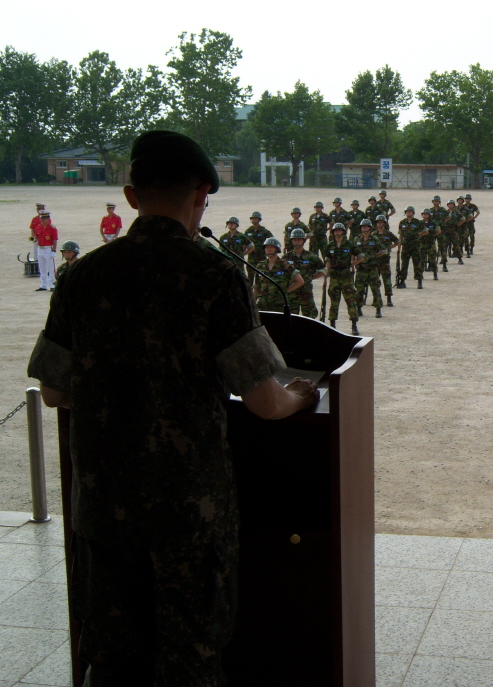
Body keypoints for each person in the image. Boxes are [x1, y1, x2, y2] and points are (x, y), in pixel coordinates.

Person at [27, 129, 317, 686]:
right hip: (189, 516)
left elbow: (56, 392)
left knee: (112, 659)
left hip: (104, 511)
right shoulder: (215, 276)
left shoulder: (82, 275)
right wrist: (299, 396)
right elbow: (262, 398)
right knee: (189, 659)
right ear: (201, 195)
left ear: (131, 196)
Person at [325, 223, 360, 333]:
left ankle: (354, 325)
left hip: (346, 277)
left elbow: (361, 256)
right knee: (334, 302)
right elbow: (328, 261)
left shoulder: (349, 244)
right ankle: (332, 324)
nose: (337, 233)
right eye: (336, 231)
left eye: (340, 231)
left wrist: (352, 264)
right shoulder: (330, 245)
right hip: (334, 277)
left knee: (350, 301)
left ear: (344, 232)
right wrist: (326, 277)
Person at [254, 237, 304, 312]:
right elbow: (257, 286)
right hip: (262, 305)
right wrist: (252, 302)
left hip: (279, 305)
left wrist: (285, 291)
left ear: (277, 249)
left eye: (271, 247)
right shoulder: (260, 266)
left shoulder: (285, 265)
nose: (269, 249)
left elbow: (300, 281)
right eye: (267, 247)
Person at [282, 228, 323, 318]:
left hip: (306, 292)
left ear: (303, 241)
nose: (297, 242)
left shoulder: (311, 256)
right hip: (292, 293)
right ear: (292, 241)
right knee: (291, 319)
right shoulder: (286, 257)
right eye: (294, 239)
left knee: (310, 318)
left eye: (299, 239)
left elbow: (323, 270)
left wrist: (311, 277)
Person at [353, 219, 385, 317]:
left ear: (370, 228)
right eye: (363, 227)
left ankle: (378, 309)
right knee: (359, 290)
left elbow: (383, 250)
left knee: (375, 289)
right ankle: (358, 308)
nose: (364, 228)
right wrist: (353, 264)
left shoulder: (375, 239)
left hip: (372, 269)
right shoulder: (356, 239)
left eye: (366, 227)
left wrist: (374, 257)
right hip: (361, 269)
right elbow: (352, 252)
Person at [397, 206, 426, 289]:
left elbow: (426, 231)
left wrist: (417, 235)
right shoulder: (402, 222)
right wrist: (399, 247)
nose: (409, 213)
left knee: (417, 264)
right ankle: (402, 281)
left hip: (415, 245)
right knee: (404, 264)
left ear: (413, 213)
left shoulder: (417, 222)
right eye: (407, 212)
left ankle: (419, 281)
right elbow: (401, 235)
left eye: (410, 212)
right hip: (405, 246)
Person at [374, 215, 399, 306]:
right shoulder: (373, 234)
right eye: (378, 222)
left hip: (385, 260)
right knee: (375, 281)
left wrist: (389, 248)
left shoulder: (388, 234)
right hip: (376, 260)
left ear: (384, 223)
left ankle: (389, 298)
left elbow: (397, 241)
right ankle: (376, 298)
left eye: (381, 222)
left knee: (387, 280)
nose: (380, 224)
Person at [34, 210, 59, 291]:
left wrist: (54, 250)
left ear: (48, 218)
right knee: (42, 268)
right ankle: (43, 284)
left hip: (48, 248)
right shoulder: (39, 227)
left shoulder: (52, 228)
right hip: (40, 249)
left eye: (44, 218)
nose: (43, 220)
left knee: (51, 268)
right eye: (42, 218)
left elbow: (55, 240)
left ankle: (52, 284)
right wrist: (35, 240)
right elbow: (37, 237)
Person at [420, 208, 441, 280]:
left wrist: (433, 236)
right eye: (424, 214)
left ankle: (435, 273)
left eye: (427, 214)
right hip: (422, 243)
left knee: (432, 259)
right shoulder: (419, 223)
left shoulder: (433, 223)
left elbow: (438, 231)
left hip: (431, 243)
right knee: (421, 260)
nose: (425, 215)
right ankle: (420, 274)